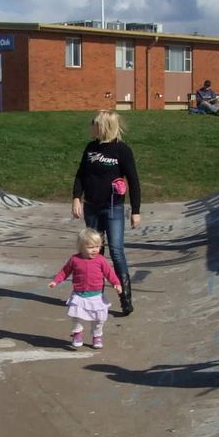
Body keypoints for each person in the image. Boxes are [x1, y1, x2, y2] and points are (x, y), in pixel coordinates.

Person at [71, 110, 142, 315]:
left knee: (117, 251)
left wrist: (135, 210)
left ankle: (125, 298)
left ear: (104, 126)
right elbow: (81, 175)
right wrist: (76, 197)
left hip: (113, 208)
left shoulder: (122, 150)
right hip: (91, 206)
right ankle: (95, 296)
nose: (91, 127)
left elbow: (134, 181)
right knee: (94, 252)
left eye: (94, 124)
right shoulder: (91, 148)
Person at [47, 228, 121, 349]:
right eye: (91, 247)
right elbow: (64, 272)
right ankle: (77, 334)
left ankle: (97, 336)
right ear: (81, 247)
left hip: (96, 295)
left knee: (99, 319)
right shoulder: (75, 259)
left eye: (97, 246)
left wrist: (116, 284)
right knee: (77, 317)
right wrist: (55, 281)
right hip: (79, 295)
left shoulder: (101, 260)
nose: (95, 250)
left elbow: (110, 274)